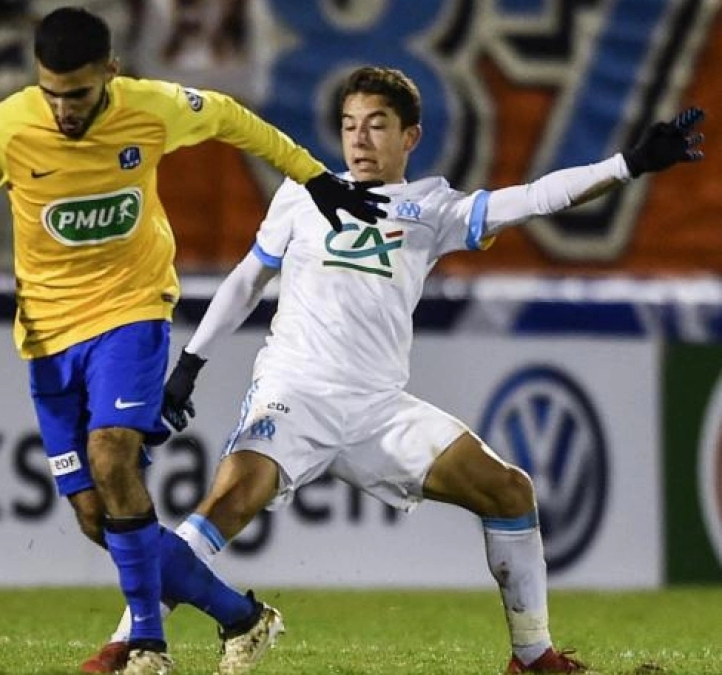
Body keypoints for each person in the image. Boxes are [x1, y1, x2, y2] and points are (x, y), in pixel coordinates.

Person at [80, 66, 706, 673]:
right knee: (223, 507)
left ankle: (533, 654)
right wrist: (190, 365)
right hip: (294, 393)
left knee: (510, 491)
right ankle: (127, 642)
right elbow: (247, 281)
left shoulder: (431, 207)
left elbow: (532, 200)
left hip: (379, 407)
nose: (359, 137)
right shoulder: (302, 193)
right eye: (351, 123)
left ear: (410, 136)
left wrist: (627, 165)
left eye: (377, 124)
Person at [0, 6, 388, 674]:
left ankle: (147, 643)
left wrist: (315, 177)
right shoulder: (6, 126)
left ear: (111, 74)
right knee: (97, 515)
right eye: (52, 93)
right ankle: (241, 616)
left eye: (79, 95)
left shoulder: (151, 109)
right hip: (47, 335)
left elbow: (234, 118)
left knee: (112, 454)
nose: (63, 109)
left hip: (132, 311)